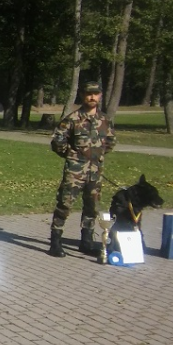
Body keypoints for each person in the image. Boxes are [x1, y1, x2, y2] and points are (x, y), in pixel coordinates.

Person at [48, 81, 116, 257]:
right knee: (65, 204)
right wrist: (72, 155)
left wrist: (98, 157)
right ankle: (55, 241)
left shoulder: (104, 120)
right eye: (89, 94)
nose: (92, 97)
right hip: (75, 171)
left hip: (95, 172)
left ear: (100, 95)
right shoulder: (72, 119)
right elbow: (57, 142)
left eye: (95, 94)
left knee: (92, 207)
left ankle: (86, 242)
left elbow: (110, 142)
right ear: (82, 96)